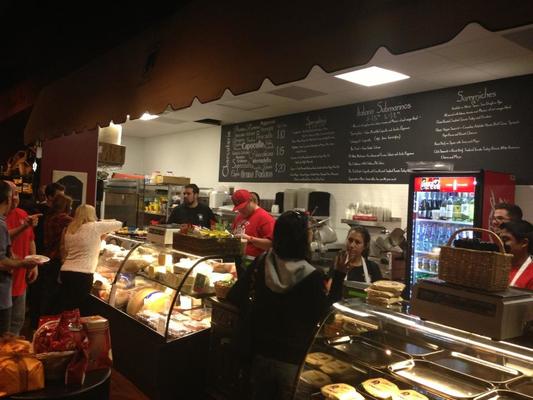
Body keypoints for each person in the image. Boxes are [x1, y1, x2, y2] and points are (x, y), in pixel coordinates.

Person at [227, 210, 330, 400]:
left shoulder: (262, 262)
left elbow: (234, 295)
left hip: (259, 353)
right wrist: (338, 277)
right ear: (301, 238)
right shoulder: (313, 276)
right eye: (309, 230)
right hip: (293, 361)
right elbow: (324, 319)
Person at [60, 205, 122, 312]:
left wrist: (99, 239)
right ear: (91, 214)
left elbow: (69, 249)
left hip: (66, 272)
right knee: (80, 308)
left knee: (68, 307)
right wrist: (102, 222)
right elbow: (119, 224)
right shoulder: (94, 226)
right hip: (83, 274)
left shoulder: (70, 229)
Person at [0, 181, 37, 334]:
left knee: (16, 323)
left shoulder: (22, 214)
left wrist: (33, 264)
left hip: (19, 280)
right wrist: (22, 263)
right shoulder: (2, 221)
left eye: (17, 194)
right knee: (4, 333)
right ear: (6, 198)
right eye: (12, 194)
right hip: (4, 283)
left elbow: (30, 240)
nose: (15, 198)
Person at [39, 193, 73, 318]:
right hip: (57, 258)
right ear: (65, 206)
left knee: (47, 292)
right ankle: (49, 320)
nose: (71, 208)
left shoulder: (49, 217)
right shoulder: (63, 218)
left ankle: (41, 320)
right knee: (54, 294)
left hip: (48, 256)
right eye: (70, 206)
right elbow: (82, 225)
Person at [328, 226, 382, 302]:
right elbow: (329, 289)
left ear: (365, 246)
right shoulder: (339, 264)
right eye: (350, 240)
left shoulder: (372, 267)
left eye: (357, 242)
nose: (352, 245)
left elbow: (379, 296)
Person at [232, 189, 275, 266]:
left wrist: (249, 238)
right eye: (238, 209)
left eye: (243, 207)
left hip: (257, 264)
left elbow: (271, 245)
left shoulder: (265, 218)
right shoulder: (239, 217)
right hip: (240, 261)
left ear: (251, 201)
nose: (241, 211)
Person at [499, 220, 533, 290]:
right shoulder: (496, 269)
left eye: (505, 239)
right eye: (499, 239)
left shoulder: (531, 274)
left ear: (524, 243)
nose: (500, 244)